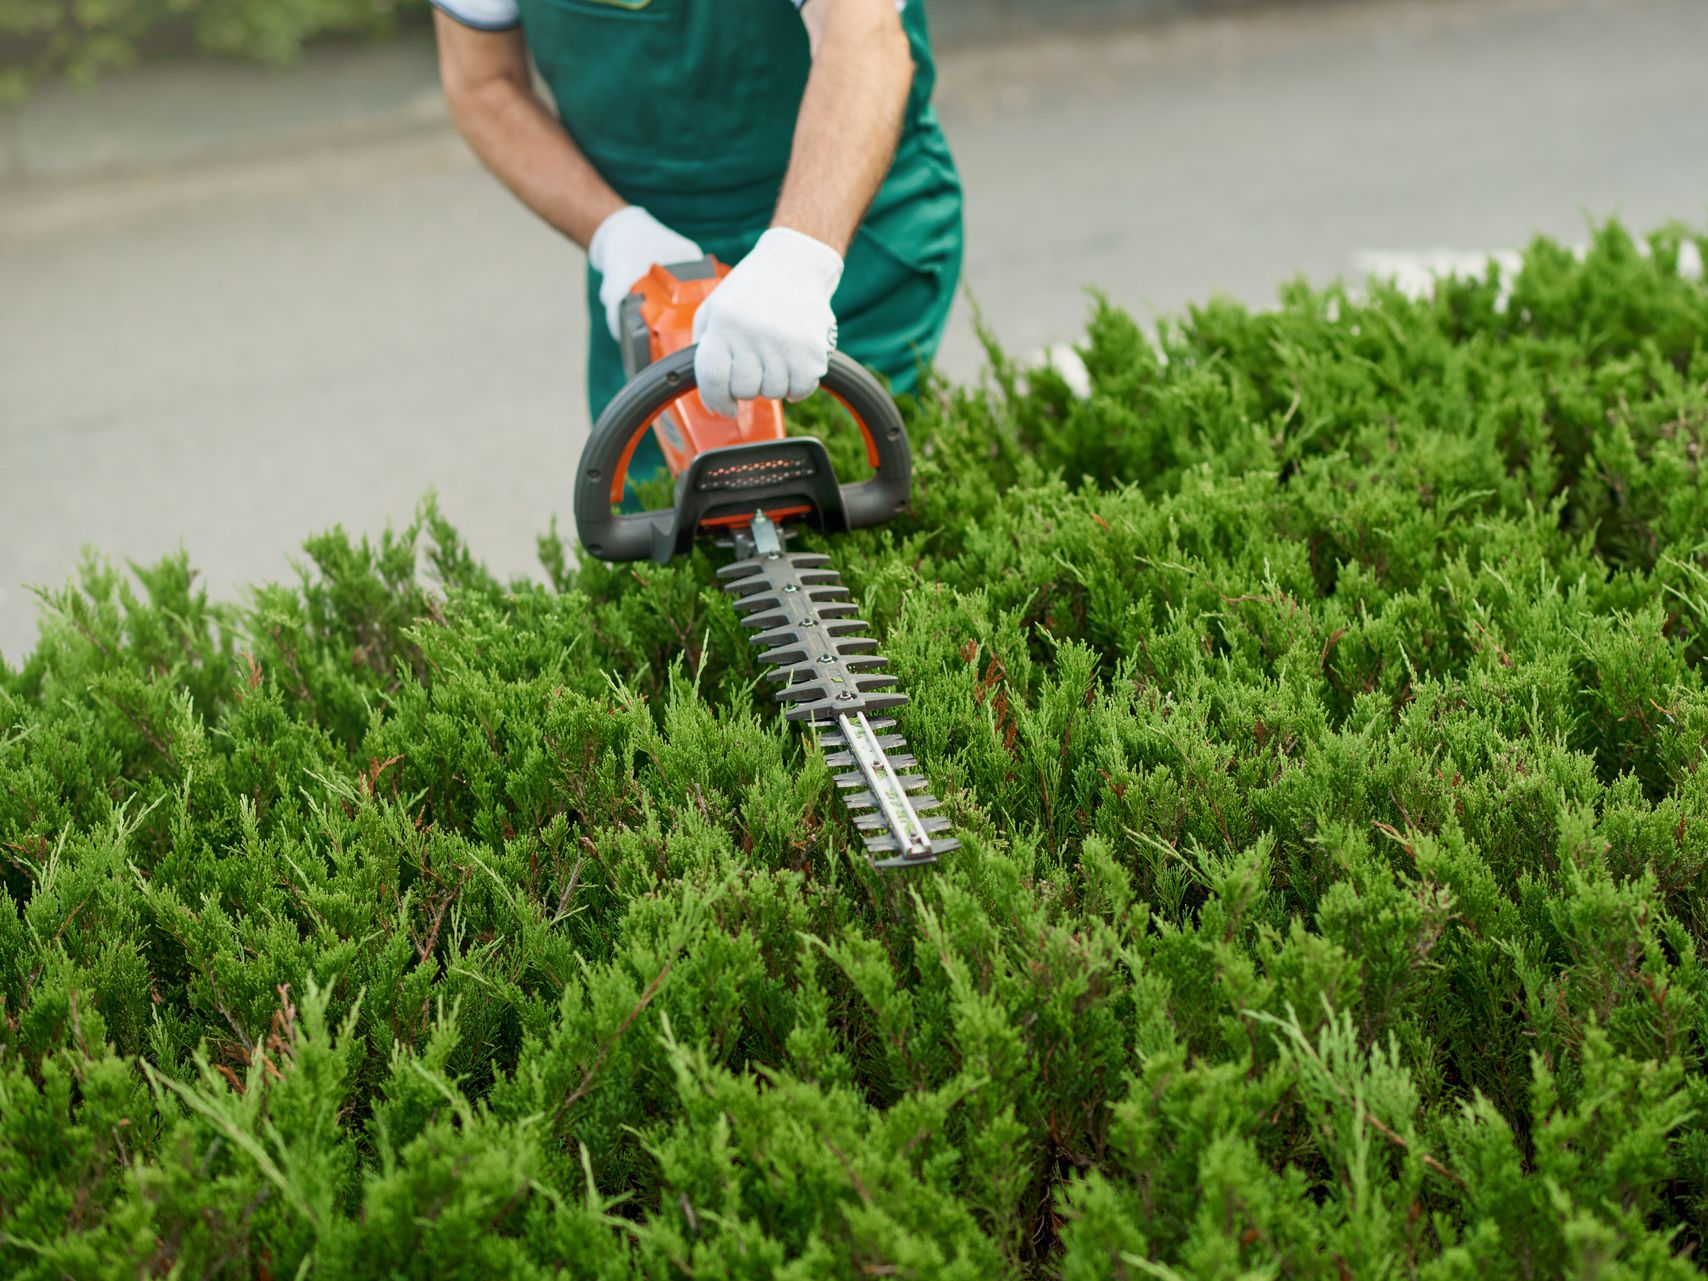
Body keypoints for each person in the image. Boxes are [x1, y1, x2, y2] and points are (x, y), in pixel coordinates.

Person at [431, 0, 964, 486]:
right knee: (659, 518)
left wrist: (799, 259)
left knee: (843, 487)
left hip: (844, 223)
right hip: (650, 256)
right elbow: (483, 84)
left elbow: (862, 33)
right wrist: (613, 232)